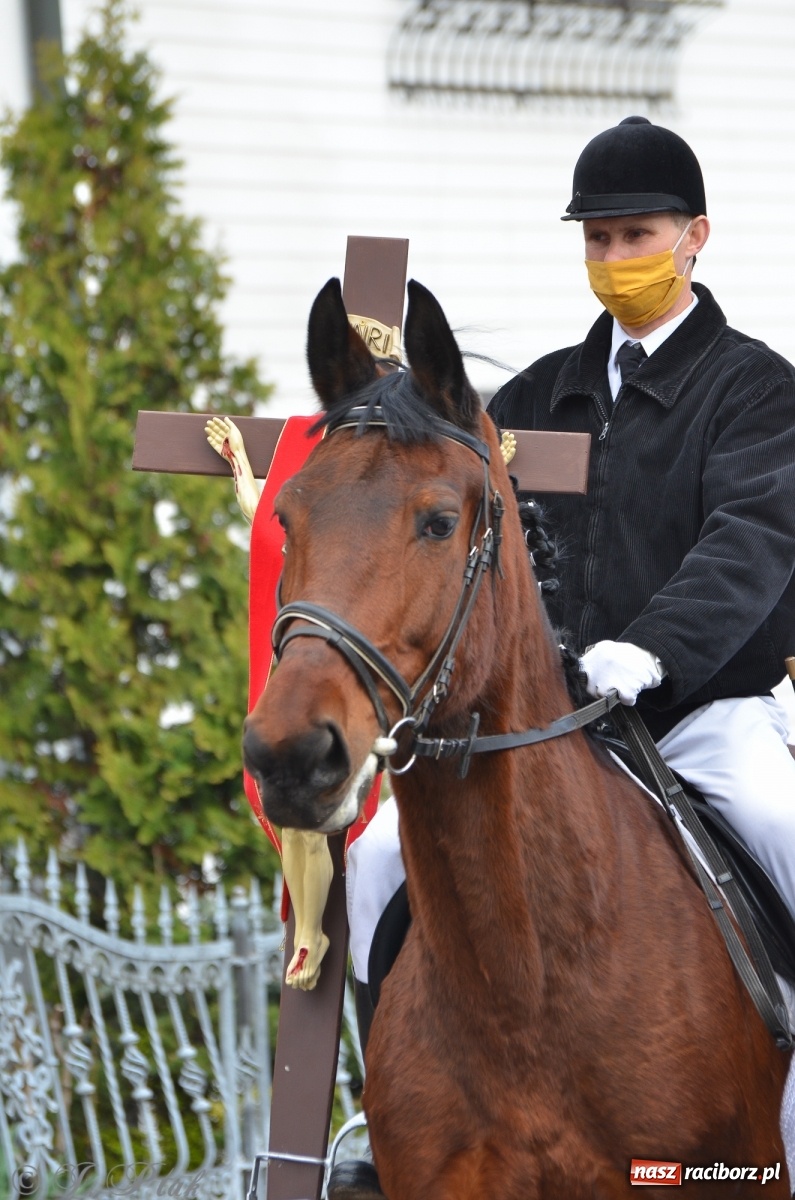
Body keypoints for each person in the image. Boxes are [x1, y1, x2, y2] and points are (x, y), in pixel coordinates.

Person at [330, 115, 795, 1200]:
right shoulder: (536, 399)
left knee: (791, 835)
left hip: (702, 715)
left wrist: (657, 652)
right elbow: (457, 519)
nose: (615, 260)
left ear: (695, 238)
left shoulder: (758, 392)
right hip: (552, 727)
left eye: (636, 236)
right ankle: (385, 1120)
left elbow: (754, 541)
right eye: (597, 240)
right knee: (373, 868)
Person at [206, 415, 333, 991]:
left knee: (309, 821)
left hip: (322, 691)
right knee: (289, 823)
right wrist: (237, 453)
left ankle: (311, 930)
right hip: (282, 686)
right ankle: (307, 928)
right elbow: (255, 511)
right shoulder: (288, 539)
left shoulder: (345, 553)